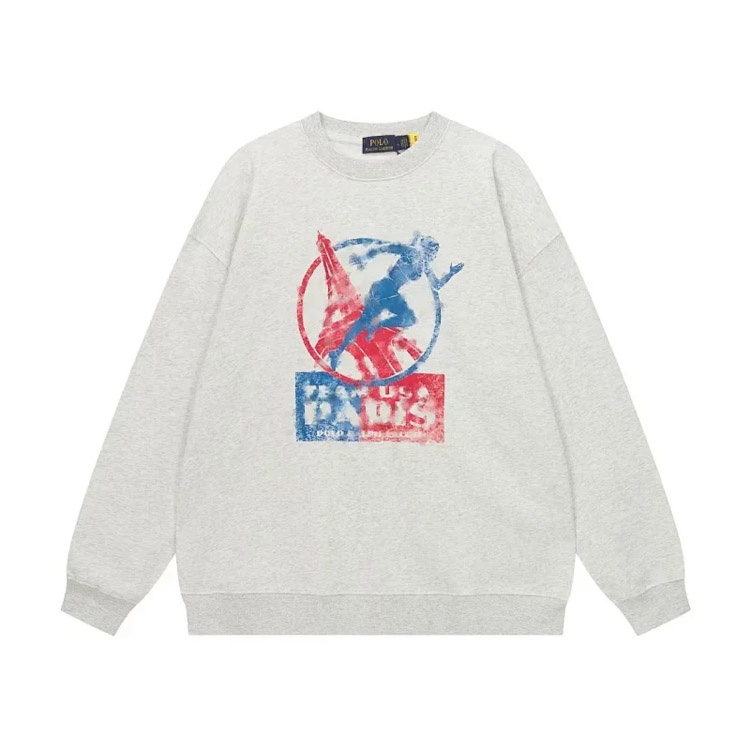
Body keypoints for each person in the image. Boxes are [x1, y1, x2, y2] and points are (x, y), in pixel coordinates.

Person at [329, 232, 464, 370]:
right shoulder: (411, 251)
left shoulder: (424, 265)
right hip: (384, 288)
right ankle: (341, 349)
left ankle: (353, 340)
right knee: (367, 320)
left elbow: (436, 285)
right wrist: (363, 258)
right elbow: (384, 248)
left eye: (433, 252)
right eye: (431, 251)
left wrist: (451, 273)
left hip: (390, 293)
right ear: (425, 248)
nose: (432, 255)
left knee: (406, 319)